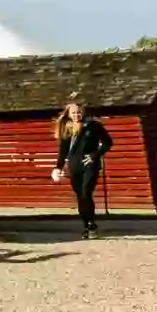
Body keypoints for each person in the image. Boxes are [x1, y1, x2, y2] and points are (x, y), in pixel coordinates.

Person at [51, 101, 112, 236]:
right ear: (68, 114)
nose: (76, 115)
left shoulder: (93, 125)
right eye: (73, 113)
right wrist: (58, 167)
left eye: (78, 112)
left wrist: (95, 155)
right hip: (74, 166)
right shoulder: (67, 128)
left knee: (86, 192)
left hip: (90, 164)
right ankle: (87, 224)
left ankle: (91, 224)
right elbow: (63, 150)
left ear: (82, 112)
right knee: (80, 196)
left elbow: (108, 142)